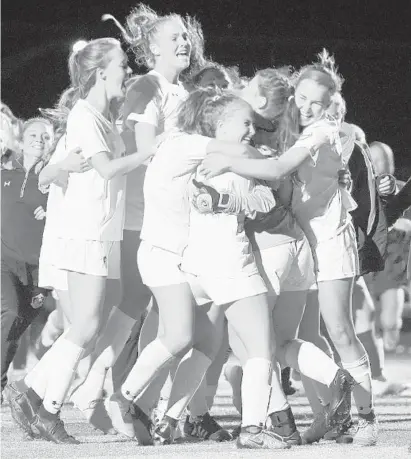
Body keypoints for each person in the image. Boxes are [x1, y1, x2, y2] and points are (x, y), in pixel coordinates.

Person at [200, 50, 378, 446]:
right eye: (302, 97)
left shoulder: (321, 132)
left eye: (318, 100)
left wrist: (225, 162)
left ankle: (363, 416)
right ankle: (333, 408)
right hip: (304, 244)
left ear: (332, 102)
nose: (307, 106)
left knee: (339, 330)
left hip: (330, 241)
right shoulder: (296, 129)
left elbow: (279, 170)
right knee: (288, 341)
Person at [7, 37, 151, 444]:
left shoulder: (102, 117)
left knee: (88, 324)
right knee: (85, 325)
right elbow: (105, 170)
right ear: (101, 71)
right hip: (83, 231)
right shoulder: (84, 116)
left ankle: (31, 390)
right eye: (122, 64)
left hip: (100, 230)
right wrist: (148, 152)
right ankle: (50, 411)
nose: (127, 70)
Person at [1, 117, 53, 401]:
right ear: (20, 142)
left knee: (18, 324)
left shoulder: (59, 180)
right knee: (9, 313)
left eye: (45, 136)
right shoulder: (5, 174)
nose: (38, 140)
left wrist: (54, 213)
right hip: (4, 260)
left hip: (40, 268)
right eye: (32, 135)